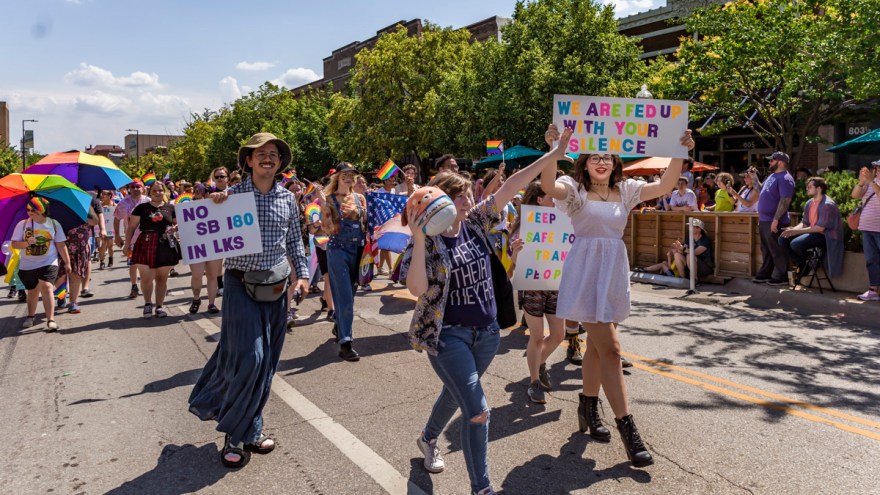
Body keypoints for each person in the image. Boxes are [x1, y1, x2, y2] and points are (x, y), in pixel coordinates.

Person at [401, 140, 556, 495]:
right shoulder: (428, 241)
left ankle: (427, 438)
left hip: (487, 334)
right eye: (459, 197)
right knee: (479, 411)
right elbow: (417, 289)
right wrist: (420, 238)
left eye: (469, 195)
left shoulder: (475, 222)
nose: (468, 202)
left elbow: (515, 183)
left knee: (458, 396)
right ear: (438, 202)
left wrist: (554, 154)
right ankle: (481, 487)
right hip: (447, 337)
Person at [541, 123, 695, 468]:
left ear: (615, 163)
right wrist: (553, 148)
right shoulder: (575, 189)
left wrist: (678, 150)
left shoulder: (626, 190)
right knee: (611, 349)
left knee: (597, 347)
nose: (601, 161)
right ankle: (628, 429)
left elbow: (666, 184)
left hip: (611, 272)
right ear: (585, 162)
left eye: (607, 157)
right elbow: (548, 185)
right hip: (585, 272)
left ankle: (588, 407)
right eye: (595, 156)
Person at [189, 132, 310, 469]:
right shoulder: (230, 197)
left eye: (274, 154)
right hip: (240, 286)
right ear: (249, 161)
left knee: (268, 361)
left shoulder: (288, 199)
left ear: (280, 162)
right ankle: (234, 434)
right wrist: (212, 206)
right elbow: (203, 227)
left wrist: (301, 275)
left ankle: (252, 429)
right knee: (251, 358)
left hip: (276, 287)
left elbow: (295, 243)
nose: (268, 159)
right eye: (261, 154)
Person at [509, 182, 566, 404]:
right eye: (551, 197)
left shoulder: (562, 221)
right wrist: (515, 252)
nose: (555, 201)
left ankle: (539, 362)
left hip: (555, 285)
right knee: (538, 336)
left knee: (559, 334)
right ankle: (534, 382)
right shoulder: (523, 226)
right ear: (539, 200)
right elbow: (515, 263)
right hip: (532, 285)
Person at [318, 163, 367, 361]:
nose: (348, 178)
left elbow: (365, 224)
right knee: (345, 296)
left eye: (351, 175)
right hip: (338, 250)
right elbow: (326, 230)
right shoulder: (329, 199)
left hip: (359, 249)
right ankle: (345, 342)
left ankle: (340, 323)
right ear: (337, 177)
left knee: (351, 293)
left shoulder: (360, 198)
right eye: (344, 175)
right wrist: (325, 207)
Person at [10, 198, 71, 331]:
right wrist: (26, 243)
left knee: (47, 286)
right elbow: (14, 243)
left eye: (34, 210)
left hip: (49, 261)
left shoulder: (54, 224)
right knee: (32, 291)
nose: (30, 213)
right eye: (28, 210)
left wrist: (67, 262)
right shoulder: (23, 224)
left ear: (43, 211)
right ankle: (30, 316)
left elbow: (60, 244)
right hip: (28, 264)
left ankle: (51, 320)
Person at [124, 181, 180, 318]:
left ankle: (159, 306)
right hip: (145, 243)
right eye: (154, 191)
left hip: (165, 244)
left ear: (165, 192)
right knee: (146, 278)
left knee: (162, 279)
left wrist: (175, 227)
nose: (157, 193)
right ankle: (148, 303)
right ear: (149, 192)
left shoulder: (171, 208)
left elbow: (179, 223)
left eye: (160, 190)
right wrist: (126, 245)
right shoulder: (141, 208)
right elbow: (131, 227)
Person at [780, 176, 844, 284]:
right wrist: (793, 229)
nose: (807, 189)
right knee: (782, 239)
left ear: (819, 188)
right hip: (813, 233)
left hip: (825, 236)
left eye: (810, 187)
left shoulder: (827, 205)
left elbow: (820, 227)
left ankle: (806, 264)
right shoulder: (809, 203)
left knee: (796, 244)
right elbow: (805, 223)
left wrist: (796, 232)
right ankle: (803, 264)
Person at [753, 151, 795, 286]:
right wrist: (754, 177)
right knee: (766, 249)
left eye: (772, 161)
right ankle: (766, 273)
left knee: (777, 249)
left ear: (780, 162)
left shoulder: (785, 178)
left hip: (775, 220)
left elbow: (785, 200)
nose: (769, 163)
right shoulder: (772, 176)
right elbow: (761, 191)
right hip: (765, 219)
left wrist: (776, 219)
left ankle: (781, 275)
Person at [63, 194, 103, 314]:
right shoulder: (59, 205)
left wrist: (84, 207)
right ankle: (60, 294)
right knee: (59, 276)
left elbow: (94, 221)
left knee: (76, 273)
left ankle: (73, 302)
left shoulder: (84, 203)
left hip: (80, 245)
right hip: (61, 244)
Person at [187, 180, 222, 314]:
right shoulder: (188, 207)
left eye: (202, 191)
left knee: (212, 275)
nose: (199, 194)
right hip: (196, 245)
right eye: (196, 191)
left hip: (214, 245)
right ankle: (196, 299)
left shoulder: (217, 206)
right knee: (197, 275)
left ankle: (211, 303)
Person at [641, 219, 714, 280]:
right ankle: (682, 278)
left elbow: (695, 253)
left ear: (699, 229)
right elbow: (682, 251)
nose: (689, 228)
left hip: (704, 268)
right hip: (690, 266)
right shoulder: (689, 239)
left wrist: (683, 248)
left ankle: (694, 280)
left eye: (692, 226)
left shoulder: (705, 241)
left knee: (689, 255)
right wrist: (678, 248)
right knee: (677, 255)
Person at [115, 180, 149, 299]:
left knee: (146, 264)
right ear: (129, 189)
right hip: (132, 239)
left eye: (138, 187)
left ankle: (146, 285)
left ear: (143, 188)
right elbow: (116, 218)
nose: (135, 189)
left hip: (147, 238)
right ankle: (134, 286)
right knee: (133, 264)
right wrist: (117, 236)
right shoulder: (123, 203)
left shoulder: (148, 201)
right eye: (133, 187)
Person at [853, 160, 880, 301]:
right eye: (876, 168)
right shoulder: (870, 183)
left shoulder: (874, 184)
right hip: (867, 227)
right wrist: (861, 182)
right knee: (871, 260)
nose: (877, 170)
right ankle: (873, 290)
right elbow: (855, 195)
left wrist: (872, 182)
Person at [98, 190, 116, 270]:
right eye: (102, 194)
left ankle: (110, 258)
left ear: (110, 196)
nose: (102, 195)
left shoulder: (114, 205)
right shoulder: (98, 205)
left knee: (110, 245)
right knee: (102, 244)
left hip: (110, 228)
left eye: (104, 194)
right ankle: (102, 262)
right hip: (101, 229)